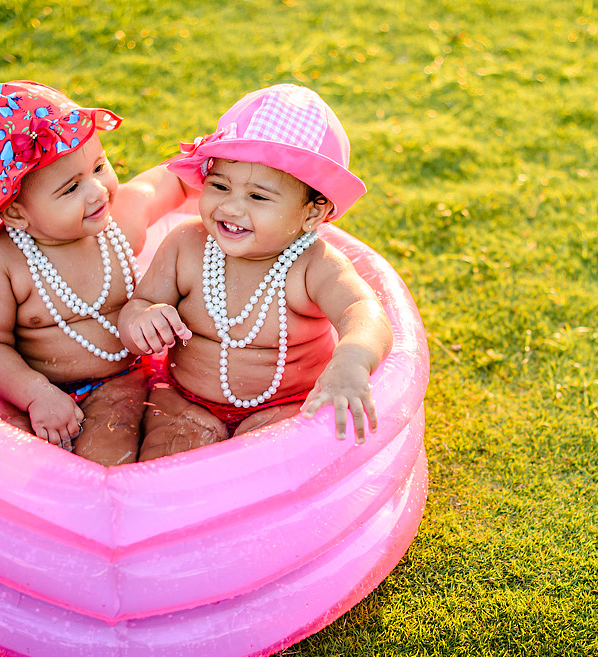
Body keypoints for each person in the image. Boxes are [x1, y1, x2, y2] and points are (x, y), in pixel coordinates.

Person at [118, 84, 393, 459]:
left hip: (285, 404)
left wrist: (352, 361)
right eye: (219, 186)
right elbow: (140, 303)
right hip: (185, 399)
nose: (230, 207)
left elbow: (363, 312)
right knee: (166, 459)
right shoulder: (186, 246)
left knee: (272, 465)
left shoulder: (313, 266)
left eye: (258, 196)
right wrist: (143, 318)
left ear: (312, 213)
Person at [0, 81, 189, 465]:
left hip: (118, 380)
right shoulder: (3, 259)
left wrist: (230, 177)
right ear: (16, 212)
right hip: (28, 386)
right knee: (1, 455)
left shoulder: (120, 224)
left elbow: (175, 179)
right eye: (70, 189)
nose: (97, 190)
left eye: (99, 166)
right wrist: (34, 393)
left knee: (108, 454)